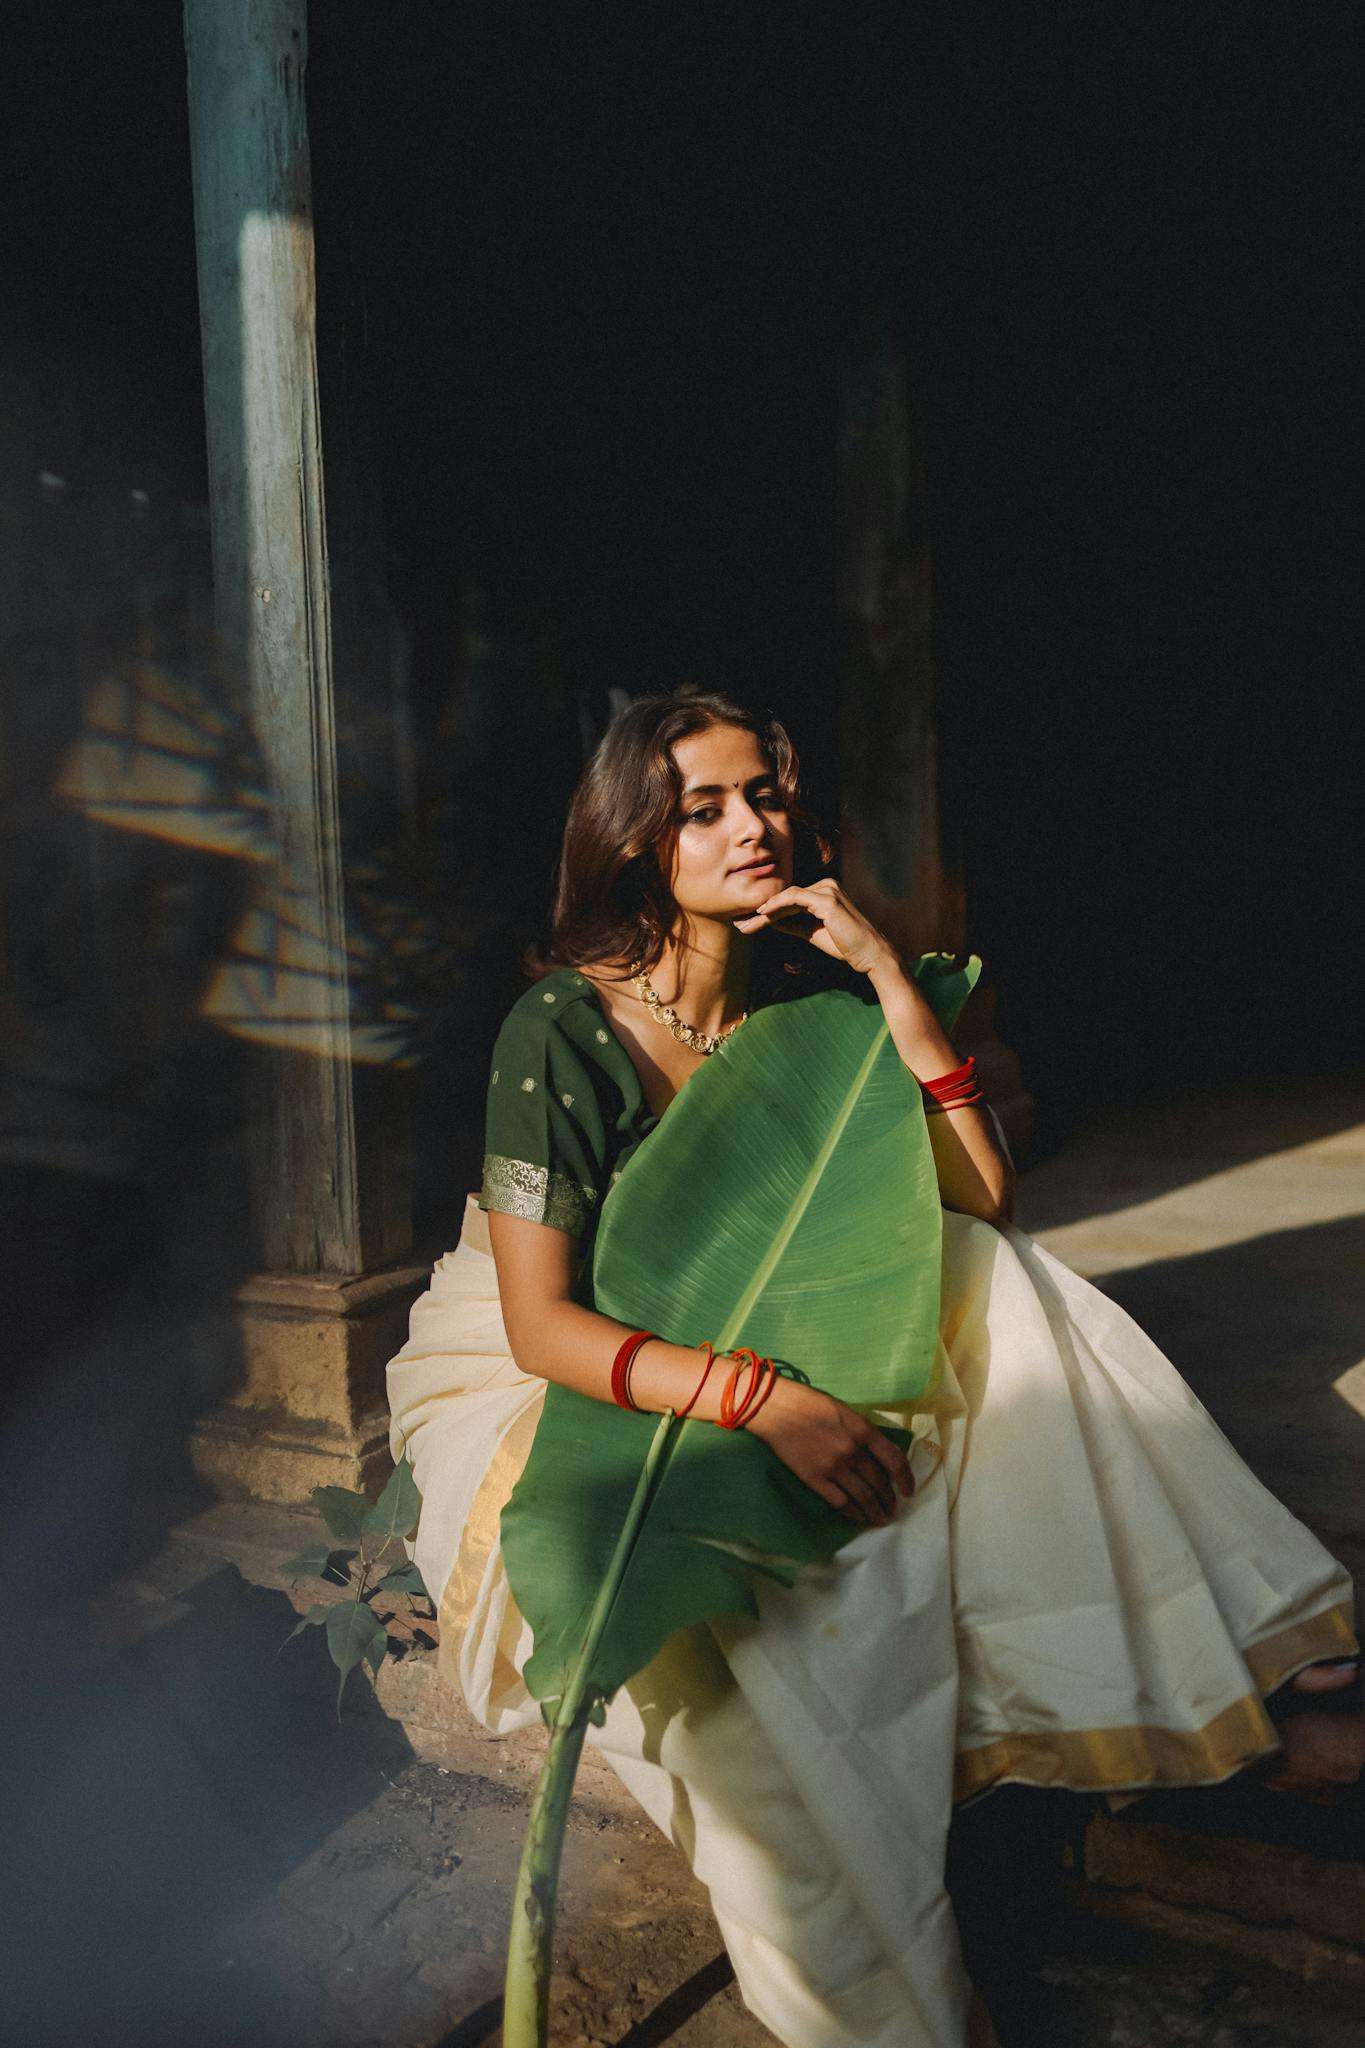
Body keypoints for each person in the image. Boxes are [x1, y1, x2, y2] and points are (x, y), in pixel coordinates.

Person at [388, 687, 1360, 2048]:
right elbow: (544, 1324)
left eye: (765, 794)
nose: (753, 825)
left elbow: (979, 1204)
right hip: (565, 1362)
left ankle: (1256, 1650)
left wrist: (891, 980)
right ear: (631, 844)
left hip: (761, 1320)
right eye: (705, 807)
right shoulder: (563, 1029)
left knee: (992, 1280)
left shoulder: (795, 995)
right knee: (766, 1686)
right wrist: (764, 1402)